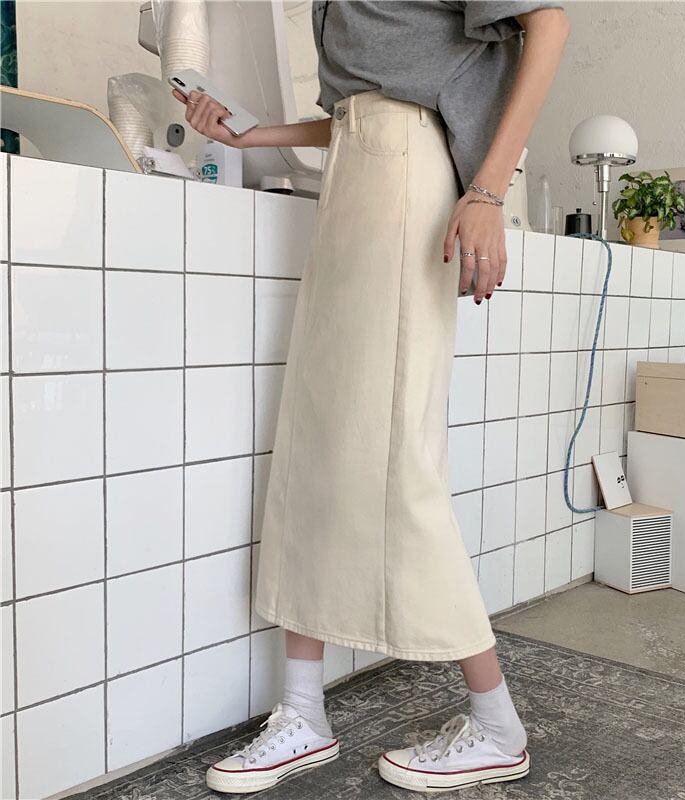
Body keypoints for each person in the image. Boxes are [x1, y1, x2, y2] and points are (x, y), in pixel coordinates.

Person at [173, 1, 569, 794]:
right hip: (356, 172)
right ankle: (302, 711)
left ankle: (497, 724)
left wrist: (489, 194)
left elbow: (549, 24)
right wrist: (257, 135)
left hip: (406, 179)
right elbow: (369, 110)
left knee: (394, 457)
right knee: (320, 446)